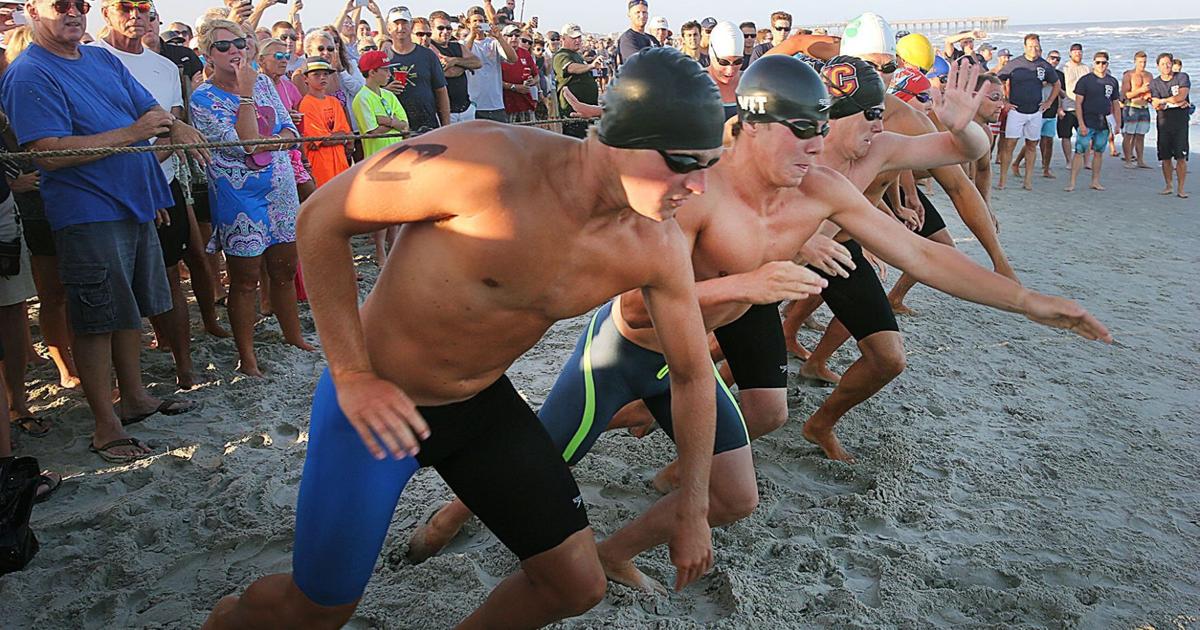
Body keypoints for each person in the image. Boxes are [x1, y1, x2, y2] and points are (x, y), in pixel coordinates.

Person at [202, 46, 727, 629]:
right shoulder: (482, 163)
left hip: (479, 405)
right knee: (315, 612)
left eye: (710, 164)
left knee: (575, 585)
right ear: (621, 136)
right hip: (376, 403)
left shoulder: (655, 244)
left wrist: (693, 509)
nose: (698, 187)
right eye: (684, 162)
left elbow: (691, 373)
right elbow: (322, 217)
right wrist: (351, 374)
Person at [1, 0, 202, 462]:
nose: (73, 12)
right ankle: (105, 425)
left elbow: (152, 111)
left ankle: (134, 398)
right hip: (87, 211)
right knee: (95, 319)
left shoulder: (100, 58)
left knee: (127, 307)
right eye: (61, 4)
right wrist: (137, 133)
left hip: (134, 202)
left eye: (81, 4)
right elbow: (48, 153)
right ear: (33, 10)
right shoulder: (30, 73)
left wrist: (170, 139)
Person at [92, 0, 208, 388]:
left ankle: (184, 366)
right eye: (125, 6)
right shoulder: (90, 58)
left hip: (162, 183)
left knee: (171, 276)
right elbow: (96, 136)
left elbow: (172, 130)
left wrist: (147, 174)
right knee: (115, 286)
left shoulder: (164, 67)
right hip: (108, 189)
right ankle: (126, 384)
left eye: (144, 7)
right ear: (105, 12)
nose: (136, 15)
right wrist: (136, 172)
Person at [190, 19, 314, 378]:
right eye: (224, 46)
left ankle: (294, 337)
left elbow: (289, 131)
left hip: (278, 185)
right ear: (207, 54)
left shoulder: (262, 82)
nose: (235, 52)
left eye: (240, 44)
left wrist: (271, 140)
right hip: (237, 194)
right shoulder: (203, 97)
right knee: (244, 278)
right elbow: (245, 143)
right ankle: (248, 355)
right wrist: (245, 97)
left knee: (285, 269)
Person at [996, 34, 1059, 191]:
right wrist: (1004, 102)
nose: (1034, 49)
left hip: (1036, 111)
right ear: (1025, 47)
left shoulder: (1044, 65)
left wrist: (1049, 102)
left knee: (1032, 145)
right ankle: (1002, 181)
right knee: (1009, 145)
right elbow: (998, 81)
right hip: (1016, 110)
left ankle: (1028, 181)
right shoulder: (1015, 64)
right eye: (1031, 46)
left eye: (1036, 46)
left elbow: (1056, 84)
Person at [379, 5, 448, 130]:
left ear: (411, 26)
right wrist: (386, 90)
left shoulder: (427, 55)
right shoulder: (382, 58)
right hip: (395, 128)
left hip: (427, 126)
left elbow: (441, 91)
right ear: (389, 28)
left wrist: (446, 127)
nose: (401, 28)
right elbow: (372, 94)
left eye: (404, 23)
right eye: (396, 23)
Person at [1066, 51, 1121, 192]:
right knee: (1080, 149)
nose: (1101, 65)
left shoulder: (1112, 81)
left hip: (1103, 122)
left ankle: (1095, 181)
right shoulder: (1085, 80)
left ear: (1107, 64)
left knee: (1099, 151)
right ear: (1093, 63)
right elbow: (1078, 103)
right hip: (1087, 120)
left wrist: (1117, 123)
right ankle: (1072, 182)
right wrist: (1081, 123)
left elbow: (1115, 103)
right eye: (1098, 62)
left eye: (1103, 62)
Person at [298, 58, 353, 188]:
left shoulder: (334, 102)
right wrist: (342, 138)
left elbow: (348, 134)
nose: (322, 77)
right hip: (321, 168)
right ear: (306, 78)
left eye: (325, 74)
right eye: (316, 74)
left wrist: (340, 138)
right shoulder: (306, 104)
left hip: (340, 165)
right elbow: (323, 140)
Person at [464, 4, 517, 123]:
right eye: (475, 21)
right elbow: (464, 56)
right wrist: (472, 35)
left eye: (481, 21)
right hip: (473, 105)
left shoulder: (493, 42)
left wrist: (499, 38)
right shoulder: (463, 43)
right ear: (468, 23)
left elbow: (513, 59)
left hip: (495, 104)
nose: (478, 24)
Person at [1149, 52, 1190, 198]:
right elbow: (1156, 105)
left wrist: (1164, 100)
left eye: (1168, 63)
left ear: (1172, 64)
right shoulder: (1154, 83)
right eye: (1162, 64)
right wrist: (1174, 103)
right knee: (1165, 157)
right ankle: (1168, 185)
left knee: (1181, 157)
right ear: (1157, 66)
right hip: (1163, 123)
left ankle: (1181, 188)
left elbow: (1182, 96)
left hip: (1180, 124)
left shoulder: (1182, 77)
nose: (1166, 66)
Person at [428, 9, 479, 123]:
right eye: (441, 28)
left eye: (449, 28)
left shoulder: (457, 46)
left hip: (465, 108)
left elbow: (477, 63)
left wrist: (454, 60)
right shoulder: (429, 48)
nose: (445, 31)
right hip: (444, 111)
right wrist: (465, 65)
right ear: (431, 29)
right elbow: (449, 72)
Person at [553, 22, 601, 138]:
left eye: (579, 37)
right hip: (573, 113)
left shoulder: (577, 55)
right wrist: (590, 66)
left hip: (586, 111)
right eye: (573, 37)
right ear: (563, 38)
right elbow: (570, 68)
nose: (577, 40)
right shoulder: (561, 55)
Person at [1121, 51, 1154, 168]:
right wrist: (1140, 90)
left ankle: (1140, 160)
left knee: (1141, 135)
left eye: (1144, 62)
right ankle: (1128, 160)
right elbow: (1126, 94)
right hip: (1132, 107)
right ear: (1135, 62)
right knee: (1129, 135)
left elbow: (1152, 92)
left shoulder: (1149, 75)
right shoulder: (1129, 75)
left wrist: (1150, 97)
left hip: (1144, 107)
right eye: (1140, 62)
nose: (1142, 64)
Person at [705, 21, 744, 120]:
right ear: (712, 56)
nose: (730, 70)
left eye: (738, 61)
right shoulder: (695, 84)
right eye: (723, 62)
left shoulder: (749, 83)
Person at [500, 26, 538, 123]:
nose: (514, 38)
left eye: (517, 35)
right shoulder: (497, 54)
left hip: (525, 103)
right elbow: (493, 80)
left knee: (529, 136)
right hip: (505, 105)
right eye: (510, 35)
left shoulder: (525, 53)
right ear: (503, 37)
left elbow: (537, 76)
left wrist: (531, 82)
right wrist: (514, 87)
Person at [1059, 43, 1088, 164]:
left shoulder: (1086, 68)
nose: (1078, 54)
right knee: (1066, 135)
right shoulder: (1063, 68)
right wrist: (1059, 107)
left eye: (1080, 52)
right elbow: (1058, 88)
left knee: (1085, 135)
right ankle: (1069, 161)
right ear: (1070, 53)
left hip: (1083, 107)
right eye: (1075, 52)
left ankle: (1086, 161)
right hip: (1067, 106)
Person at [615, 0, 657, 67]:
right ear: (629, 15)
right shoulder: (628, 39)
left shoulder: (652, 39)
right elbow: (639, 63)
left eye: (644, 12)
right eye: (637, 12)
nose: (642, 16)